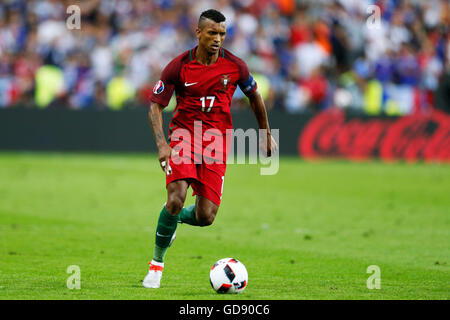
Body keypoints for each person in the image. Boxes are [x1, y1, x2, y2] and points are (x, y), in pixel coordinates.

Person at [143, 9, 277, 288]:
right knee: (177, 196)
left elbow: (254, 96)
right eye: (213, 33)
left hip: (216, 144)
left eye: (222, 34)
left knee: (206, 216)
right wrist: (162, 145)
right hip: (183, 138)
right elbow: (155, 106)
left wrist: (266, 133)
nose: (218, 39)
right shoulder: (179, 66)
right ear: (199, 33)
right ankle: (156, 266)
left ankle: (171, 216)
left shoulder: (235, 66)